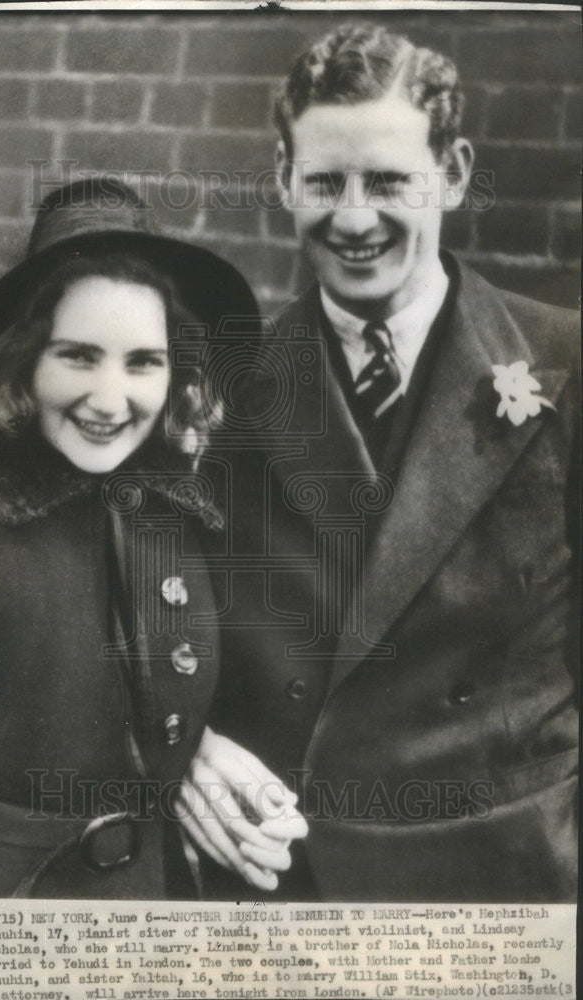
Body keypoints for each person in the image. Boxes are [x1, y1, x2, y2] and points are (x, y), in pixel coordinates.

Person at [180, 23, 579, 901]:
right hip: (285, 870)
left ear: (456, 172)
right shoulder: (227, 387)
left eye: (390, 180)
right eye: (324, 181)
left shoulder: (564, 364)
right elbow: (152, 607)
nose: (353, 217)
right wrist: (186, 746)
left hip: (498, 877)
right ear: (283, 179)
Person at [0, 177, 305, 898]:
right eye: (77, 356)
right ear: (24, 359)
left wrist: (194, 751)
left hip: (141, 914)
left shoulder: (170, 504)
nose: (109, 399)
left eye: (142, 362)